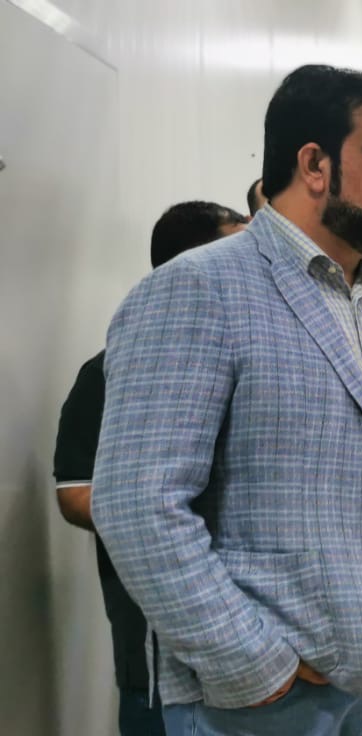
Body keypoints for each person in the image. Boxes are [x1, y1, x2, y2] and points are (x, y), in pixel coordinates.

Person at [92, 64, 362, 736]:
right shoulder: (199, 288)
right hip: (274, 693)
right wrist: (253, 664)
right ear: (314, 164)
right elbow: (137, 505)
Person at [52, 201, 247, 736]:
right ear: (192, 264)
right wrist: (165, 512)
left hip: (255, 638)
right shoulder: (109, 370)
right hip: (158, 644)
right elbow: (75, 494)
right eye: (240, 247)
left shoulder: (249, 360)